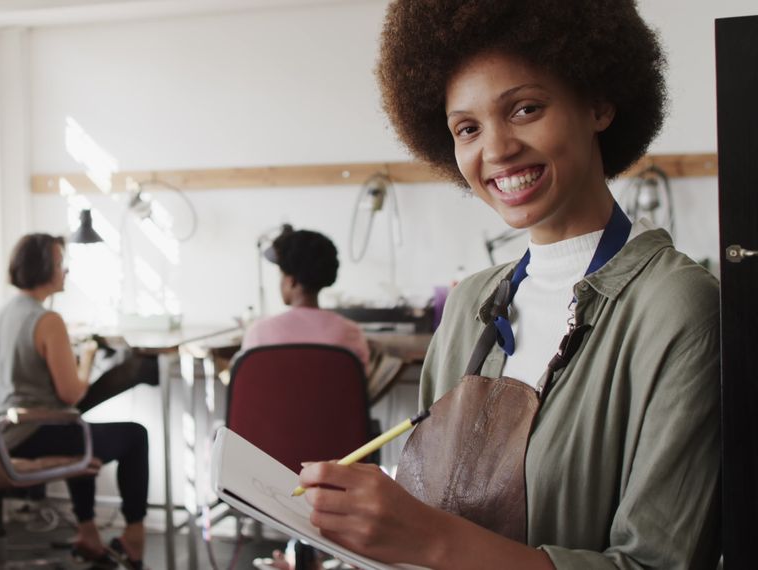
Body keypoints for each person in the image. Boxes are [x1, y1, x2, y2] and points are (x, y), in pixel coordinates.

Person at [296, 1, 720, 569]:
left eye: (525, 109)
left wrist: (427, 538)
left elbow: (657, 565)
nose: (495, 150)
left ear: (598, 103)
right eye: (467, 128)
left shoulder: (678, 310)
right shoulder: (471, 303)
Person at [0, 233, 156, 569]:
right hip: (35, 432)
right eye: (62, 264)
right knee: (135, 435)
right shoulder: (48, 321)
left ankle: (88, 534)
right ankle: (134, 539)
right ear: (45, 269)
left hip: (3, 434)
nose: (66, 272)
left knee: (82, 433)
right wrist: (88, 356)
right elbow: (72, 394)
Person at [241, 229, 370, 368]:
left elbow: (248, 385)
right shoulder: (351, 334)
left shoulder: (259, 333)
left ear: (291, 281)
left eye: (281, 275)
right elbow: (359, 385)